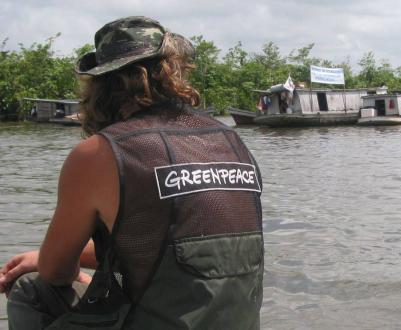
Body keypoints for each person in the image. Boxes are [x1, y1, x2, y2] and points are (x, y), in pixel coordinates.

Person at [0, 16, 263, 329]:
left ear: (100, 85)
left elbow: (55, 271)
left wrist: (54, 263)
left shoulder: (99, 153)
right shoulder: (232, 141)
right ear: (174, 73)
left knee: (32, 286)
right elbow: (170, 250)